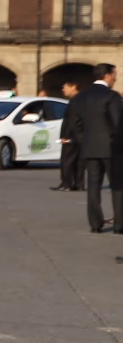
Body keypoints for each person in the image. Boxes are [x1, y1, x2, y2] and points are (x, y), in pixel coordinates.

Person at [63, 65, 123, 233]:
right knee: (118, 186)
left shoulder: (81, 97)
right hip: (112, 149)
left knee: (93, 186)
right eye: (114, 74)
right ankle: (119, 224)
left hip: (90, 147)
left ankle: (95, 224)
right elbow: (118, 123)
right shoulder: (111, 96)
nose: (116, 78)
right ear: (107, 76)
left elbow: (75, 124)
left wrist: (85, 142)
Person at [56, 79, 83, 192]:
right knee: (77, 160)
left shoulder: (75, 101)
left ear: (73, 87)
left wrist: (65, 136)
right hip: (79, 135)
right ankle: (78, 184)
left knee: (67, 159)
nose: (63, 90)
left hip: (72, 135)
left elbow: (71, 120)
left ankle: (67, 183)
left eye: (65, 87)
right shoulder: (81, 99)